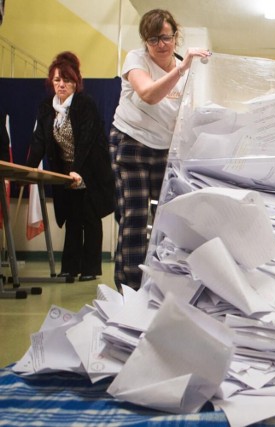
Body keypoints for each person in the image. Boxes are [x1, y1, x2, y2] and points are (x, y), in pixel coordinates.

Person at [110, 9, 210, 291]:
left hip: (163, 148)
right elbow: (149, 95)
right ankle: (129, 288)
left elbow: (188, 113)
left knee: (170, 216)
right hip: (131, 143)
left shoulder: (186, 68)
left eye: (166, 37)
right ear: (145, 41)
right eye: (153, 40)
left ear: (175, 36)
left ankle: (164, 281)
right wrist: (182, 68)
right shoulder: (136, 59)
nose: (161, 45)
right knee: (135, 217)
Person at [26, 51, 114, 281]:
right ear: (51, 82)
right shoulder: (47, 107)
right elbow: (39, 140)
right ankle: (70, 267)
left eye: (66, 80)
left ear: (76, 82)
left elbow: (86, 141)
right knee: (72, 218)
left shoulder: (86, 104)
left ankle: (90, 269)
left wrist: (78, 170)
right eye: (57, 80)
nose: (61, 85)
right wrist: (28, 168)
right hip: (66, 173)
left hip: (91, 170)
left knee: (90, 217)